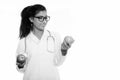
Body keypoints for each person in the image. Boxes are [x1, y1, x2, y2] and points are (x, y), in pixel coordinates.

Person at [16, 4, 74, 80]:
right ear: (31, 19)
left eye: (45, 18)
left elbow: (58, 62)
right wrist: (21, 63)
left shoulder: (55, 36)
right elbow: (21, 70)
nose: (44, 21)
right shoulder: (24, 42)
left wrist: (63, 49)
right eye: (40, 18)